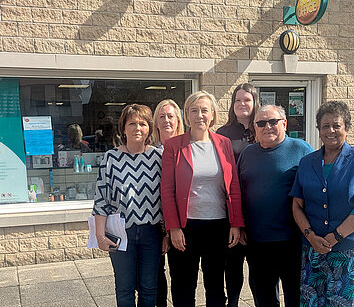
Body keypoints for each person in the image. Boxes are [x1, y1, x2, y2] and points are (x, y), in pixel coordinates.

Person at [290, 101, 354, 306]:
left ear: (346, 128)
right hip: (314, 250)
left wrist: (336, 236)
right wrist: (310, 236)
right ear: (319, 131)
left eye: (336, 125)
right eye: (325, 126)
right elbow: (297, 205)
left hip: (351, 251)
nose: (330, 130)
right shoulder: (307, 162)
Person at [161, 90, 244, 307]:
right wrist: (173, 228)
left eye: (204, 110)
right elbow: (167, 190)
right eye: (194, 110)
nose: (199, 115)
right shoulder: (173, 146)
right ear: (186, 115)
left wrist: (236, 224)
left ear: (213, 114)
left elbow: (233, 185)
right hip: (185, 227)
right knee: (183, 287)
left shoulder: (224, 143)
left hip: (218, 226)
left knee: (215, 286)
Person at [238, 105, 313, 307]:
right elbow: (239, 192)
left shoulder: (302, 149)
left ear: (285, 123)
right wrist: (240, 225)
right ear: (254, 127)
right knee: (264, 298)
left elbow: (315, 189)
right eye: (261, 123)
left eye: (273, 121)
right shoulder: (247, 153)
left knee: (295, 297)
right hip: (257, 242)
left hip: (292, 241)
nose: (267, 127)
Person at [93, 104, 163, 307]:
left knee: (149, 288)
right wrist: (100, 235)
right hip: (120, 233)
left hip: (151, 232)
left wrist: (167, 233)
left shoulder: (158, 157)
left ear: (149, 128)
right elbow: (101, 199)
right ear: (123, 128)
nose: (137, 128)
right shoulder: (111, 158)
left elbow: (166, 196)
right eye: (132, 123)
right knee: (124, 288)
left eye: (142, 123)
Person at [216, 83, 260, 307]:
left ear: (255, 102)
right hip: (231, 211)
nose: (242, 104)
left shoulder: (264, 128)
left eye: (247, 100)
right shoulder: (223, 134)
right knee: (232, 268)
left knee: (259, 270)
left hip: (258, 212)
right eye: (237, 100)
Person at [152, 99, 185, 307]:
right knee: (156, 273)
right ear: (155, 122)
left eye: (171, 116)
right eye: (162, 116)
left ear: (178, 120)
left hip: (181, 223)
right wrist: (163, 231)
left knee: (180, 274)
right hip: (154, 221)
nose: (166, 120)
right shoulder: (149, 151)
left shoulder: (186, 148)